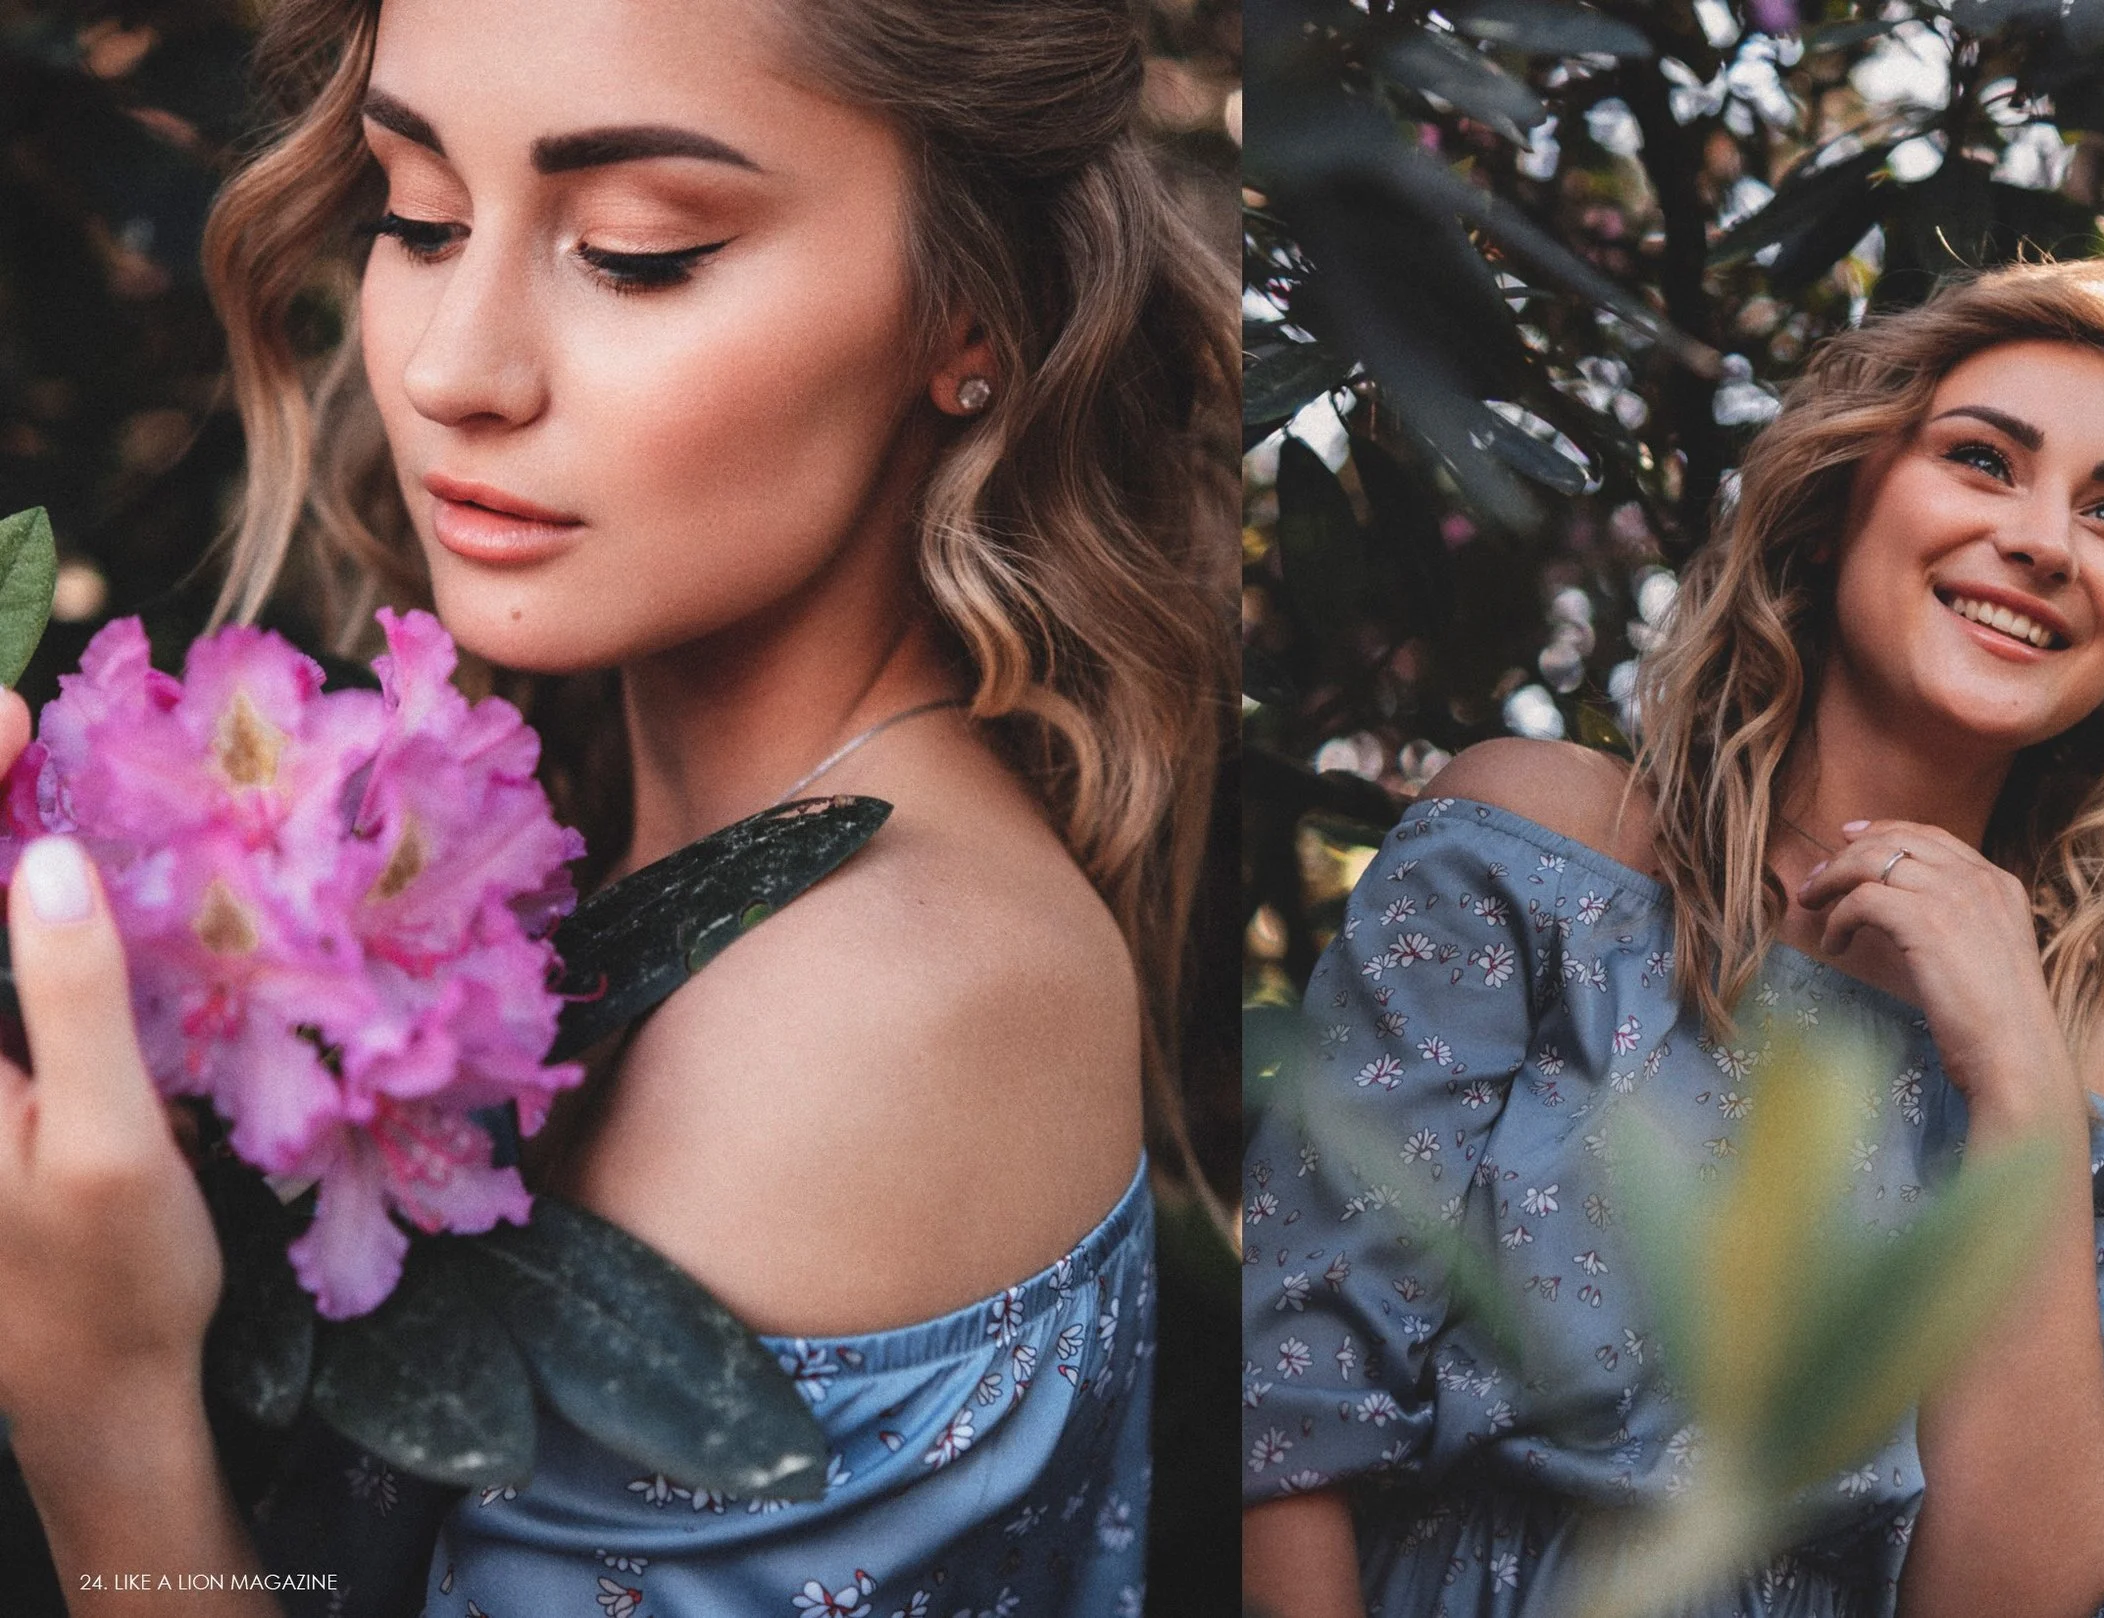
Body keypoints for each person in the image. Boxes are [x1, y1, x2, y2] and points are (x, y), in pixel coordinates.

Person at [0, 0, 1234, 1613]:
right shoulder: (593, 823)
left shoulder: (861, 1004)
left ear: (974, 312)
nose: (452, 368)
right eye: (418, 216)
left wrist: (101, 1409)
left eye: (640, 251)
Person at [1241, 261, 2104, 1618]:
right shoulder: (1538, 847)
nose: (2049, 542)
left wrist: (2021, 1075)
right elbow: (1288, 1407)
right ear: (1836, 511)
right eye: (1984, 461)